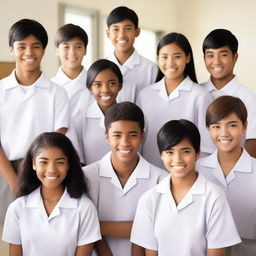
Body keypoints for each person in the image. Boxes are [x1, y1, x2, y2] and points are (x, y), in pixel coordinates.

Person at [131, 119, 241, 256]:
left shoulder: (214, 197)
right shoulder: (149, 199)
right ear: (161, 155)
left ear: (197, 153)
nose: (178, 159)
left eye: (185, 151)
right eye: (170, 152)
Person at [0, 19, 69, 224]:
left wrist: (43, 172)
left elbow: (58, 139)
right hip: (5, 171)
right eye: (22, 46)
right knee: (8, 237)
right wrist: (13, 179)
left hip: (45, 172)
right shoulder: (0, 91)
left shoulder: (58, 93)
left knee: (43, 230)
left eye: (35, 46)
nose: (29, 53)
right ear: (11, 49)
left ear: (44, 50)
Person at [83, 102, 167, 256]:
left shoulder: (161, 179)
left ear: (142, 136)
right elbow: (80, 226)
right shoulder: (86, 176)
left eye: (133, 135)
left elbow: (157, 228)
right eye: (117, 135)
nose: (125, 143)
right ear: (106, 136)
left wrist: (95, 226)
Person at [2, 132, 101, 256]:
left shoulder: (85, 208)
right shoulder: (17, 208)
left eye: (60, 162)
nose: (52, 170)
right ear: (34, 164)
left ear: (68, 165)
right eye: (44, 162)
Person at [137, 32, 214, 168]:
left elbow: (207, 148)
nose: (170, 63)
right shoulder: (145, 95)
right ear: (157, 59)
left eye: (177, 56)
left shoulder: (200, 96)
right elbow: (139, 140)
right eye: (164, 57)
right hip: (149, 174)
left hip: (187, 174)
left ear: (187, 58)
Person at [196, 96, 256, 256]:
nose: (224, 133)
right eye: (216, 126)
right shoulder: (197, 169)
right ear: (208, 129)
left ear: (245, 127)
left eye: (232, 125)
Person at [202, 28, 256, 158]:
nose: (216, 62)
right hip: (199, 170)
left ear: (235, 57)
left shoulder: (248, 98)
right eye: (210, 55)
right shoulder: (197, 93)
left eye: (223, 54)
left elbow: (253, 142)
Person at [67, 59, 125, 165]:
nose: (105, 90)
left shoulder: (129, 118)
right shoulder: (79, 122)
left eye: (111, 83)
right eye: (98, 85)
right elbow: (77, 161)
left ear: (120, 86)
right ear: (90, 88)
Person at [106, 6, 158, 93]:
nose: (122, 34)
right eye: (116, 29)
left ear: (137, 32)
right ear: (108, 34)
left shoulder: (152, 70)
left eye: (128, 28)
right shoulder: (100, 69)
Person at [51, 23, 93, 118]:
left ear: (85, 50)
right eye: (66, 47)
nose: (72, 52)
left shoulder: (96, 85)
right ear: (57, 50)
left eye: (78, 47)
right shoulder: (50, 87)